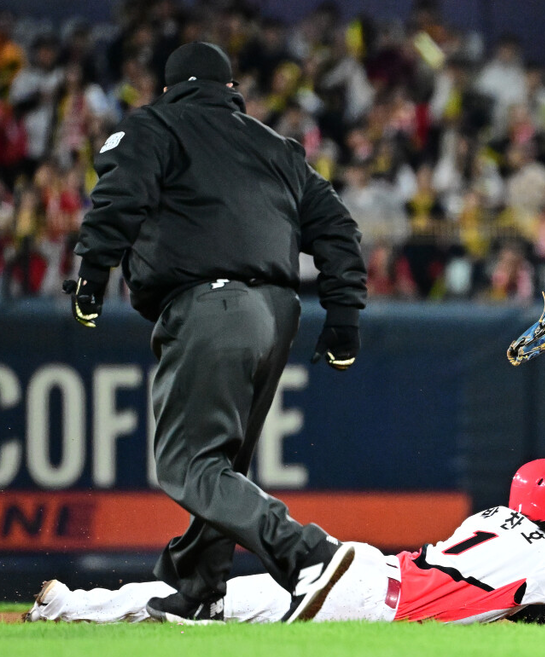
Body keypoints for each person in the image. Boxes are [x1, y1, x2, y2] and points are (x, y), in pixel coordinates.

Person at [63, 42, 368, 624]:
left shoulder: (157, 125)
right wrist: (344, 317)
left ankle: (310, 553)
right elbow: (338, 230)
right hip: (279, 313)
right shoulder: (277, 147)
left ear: (168, 88)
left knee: (189, 464)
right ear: (232, 89)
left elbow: (120, 196)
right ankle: (198, 587)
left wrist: (91, 271)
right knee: (222, 465)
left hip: (211, 304)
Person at [24, 459, 545, 627]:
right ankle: (75, 606)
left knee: (207, 602)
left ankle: (72, 603)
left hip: (368, 566)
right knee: (212, 610)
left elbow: (509, 598)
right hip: (372, 598)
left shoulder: (494, 517)